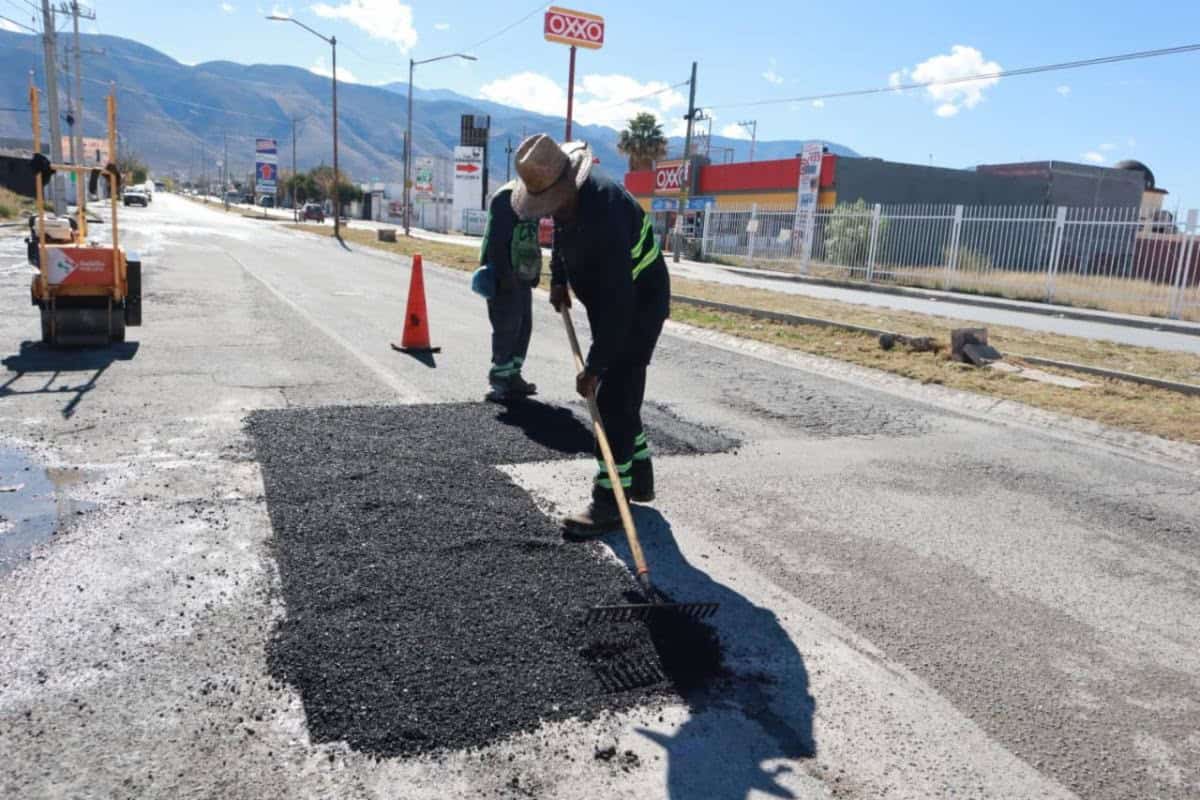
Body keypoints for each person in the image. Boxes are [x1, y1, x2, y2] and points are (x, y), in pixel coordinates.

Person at [510, 133, 669, 534]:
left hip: (638, 304)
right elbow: (562, 237)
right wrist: (559, 278)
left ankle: (609, 501)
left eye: (552, 204)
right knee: (622, 393)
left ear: (570, 184)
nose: (550, 212)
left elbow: (620, 306)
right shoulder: (569, 205)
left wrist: (594, 367)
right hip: (607, 298)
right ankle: (640, 474)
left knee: (614, 399)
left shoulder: (607, 214)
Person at [480, 180, 542, 402]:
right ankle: (498, 378)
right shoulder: (505, 198)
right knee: (507, 324)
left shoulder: (537, 198)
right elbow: (497, 244)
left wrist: (534, 272)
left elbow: (531, 237)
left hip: (523, 273)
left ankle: (513, 374)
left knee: (524, 325)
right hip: (504, 275)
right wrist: (505, 278)